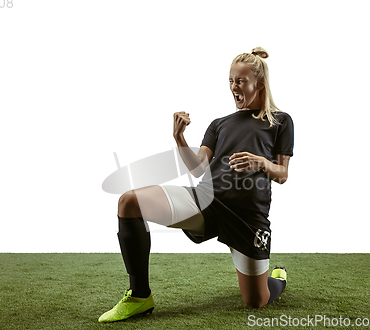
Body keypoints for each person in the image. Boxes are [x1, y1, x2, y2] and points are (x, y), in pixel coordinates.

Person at [98, 47, 294, 323]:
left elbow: (282, 173)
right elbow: (198, 165)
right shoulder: (219, 124)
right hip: (206, 201)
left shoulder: (280, 121)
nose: (233, 87)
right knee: (130, 202)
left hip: (248, 218)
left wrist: (260, 162)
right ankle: (140, 296)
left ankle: (278, 277)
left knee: (256, 301)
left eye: (240, 81)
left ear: (259, 84)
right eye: (230, 81)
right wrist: (179, 137)